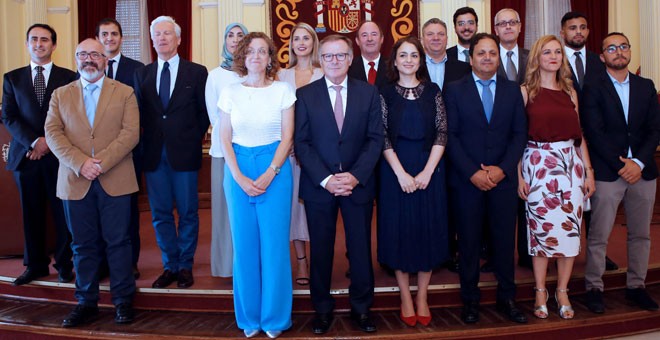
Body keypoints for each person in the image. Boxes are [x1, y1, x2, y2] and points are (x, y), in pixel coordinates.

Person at [45, 38, 139, 327]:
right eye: (83, 54)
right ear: (75, 59)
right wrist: (80, 163)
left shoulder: (124, 92)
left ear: (106, 60)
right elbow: (52, 132)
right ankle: (86, 302)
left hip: (116, 178)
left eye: (95, 55)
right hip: (75, 181)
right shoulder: (61, 95)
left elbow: (131, 133)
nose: (89, 59)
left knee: (119, 243)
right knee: (82, 246)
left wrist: (100, 163)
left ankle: (123, 301)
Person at [295, 34, 383, 335]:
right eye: (329, 56)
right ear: (322, 59)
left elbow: (375, 139)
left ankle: (362, 309)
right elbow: (302, 143)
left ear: (350, 58)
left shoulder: (368, 94)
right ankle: (321, 310)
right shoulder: (305, 95)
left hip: (357, 184)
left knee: (360, 249)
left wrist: (355, 175)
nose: (334, 61)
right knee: (321, 250)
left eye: (340, 55)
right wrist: (327, 179)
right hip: (320, 187)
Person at [444, 33, 527, 325]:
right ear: (471, 57)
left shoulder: (512, 89)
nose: (487, 58)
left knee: (504, 243)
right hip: (467, 181)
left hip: (503, 181)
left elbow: (519, 134)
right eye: (481, 53)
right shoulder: (454, 90)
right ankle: (470, 301)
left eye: (492, 53)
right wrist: (473, 172)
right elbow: (449, 136)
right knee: (467, 244)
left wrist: (502, 169)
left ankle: (507, 299)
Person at [219, 32, 295, 339]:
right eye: (251, 51)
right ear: (242, 56)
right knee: (245, 246)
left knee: (274, 246)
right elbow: (224, 137)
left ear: (270, 57)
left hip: (274, 165)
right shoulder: (230, 91)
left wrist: (270, 172)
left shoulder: (283, 90)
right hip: (237, 166)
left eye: (263, 51)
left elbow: (288, 136)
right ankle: (249, 316)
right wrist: (238, 176)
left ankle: (275, 318)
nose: (256, 56)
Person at [518, 35, 595, 320]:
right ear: (536, 57)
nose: (553, 56)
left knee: (569, 232)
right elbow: (516, 137)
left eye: (557, 52)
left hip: (570, 167)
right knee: (541, 234)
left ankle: (562, 290)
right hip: (537, 166)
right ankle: (540, 290)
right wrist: (518, 177)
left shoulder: (570, 92)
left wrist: (588, 171)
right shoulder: (526, 92)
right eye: (547, 52)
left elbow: (579, 136)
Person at [582, 32, 660, 314]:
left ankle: (636, 287)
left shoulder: (646, 86)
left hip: (642, 172)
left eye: (623, 46)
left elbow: (655, 129)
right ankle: (594, 287)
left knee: (640, 234)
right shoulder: (592, 87)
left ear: (629, 51)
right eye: (611, 48)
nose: (619, 51)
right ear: (602, 56)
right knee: (599, 234)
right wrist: (620, 165)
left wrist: (637, 162)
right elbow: (594, 131)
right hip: (608, 171)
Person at [377, 36, 448, 327]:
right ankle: (406, 296)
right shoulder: (384, 93)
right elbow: (381, 135)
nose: (408, 60)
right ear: (394, 61)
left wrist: (428, 172)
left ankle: (422, 296)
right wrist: (401, 174)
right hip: (395, 170)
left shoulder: (433, 91)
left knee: (427, 231)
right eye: (403, 55)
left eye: (414, 55)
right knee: (399, 232)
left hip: (429, 168)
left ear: (421, 60)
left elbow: (442, 131)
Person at [134, 16, 209, 289]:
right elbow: (139, 114)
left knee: (188, 212)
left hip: (184, 153)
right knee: (160, 214)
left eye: (168, 33)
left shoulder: (197, 72)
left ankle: (185, 265)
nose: (162, 38)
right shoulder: (142, 74)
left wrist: (189, 137)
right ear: (152, 40)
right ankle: (170, 265)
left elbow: (204, 113)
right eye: (157, 34)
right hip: (154, 155)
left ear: (178, 39)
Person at [2, 23, 75, 286]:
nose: (39, 44)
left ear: (54, 45)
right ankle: (35, 265)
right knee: (31, 214)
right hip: (26, 156)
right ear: (27, 44)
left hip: (59, 158)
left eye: (45, 40)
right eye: (34, 39)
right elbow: (8, 116)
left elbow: (71, 116)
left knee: (62, 213)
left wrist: (48, 143)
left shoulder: (69, 77)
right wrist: (34, 142)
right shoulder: (12, 78)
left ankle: (65, 265)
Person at [560, 11, 616, 271]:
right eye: (573, 28)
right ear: (563, 32)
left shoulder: (599, 61)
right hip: (563, 143)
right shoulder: (554, 60)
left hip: (596, 142)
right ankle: (559, 252)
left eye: (583, 27)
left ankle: (597, 255)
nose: (578, 32)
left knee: (596, 202)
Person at [95, 17, 145, 279]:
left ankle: (130, 262)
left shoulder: (137, 69)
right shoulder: (88, 67)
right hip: (93, 159)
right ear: (98, 38)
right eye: (105, 34)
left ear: (121, 38)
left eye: (114, 34)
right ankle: (102, 261)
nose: (110, 39)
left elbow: (141, 114)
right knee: (97, 211)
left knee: (128, 212)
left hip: (127, 155)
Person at [277, 22, 323, 287]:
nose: (302, 43)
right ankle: (302, 262)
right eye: (297, 39)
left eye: (307, 38)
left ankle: (320, 259)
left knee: (317, 209)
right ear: (292, 44)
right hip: (290, 153)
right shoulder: (282, 76)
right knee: (294, 207)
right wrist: (290, 141)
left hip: (319, 152)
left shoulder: (323, 71)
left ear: (313, 42)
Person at [205, 22, 248, 278]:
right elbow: (215, 117)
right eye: (230, 35)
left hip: (255, 152)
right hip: (225, 153)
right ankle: (225, 267)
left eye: (240, 35)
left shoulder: (255, 70)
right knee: (225, 213)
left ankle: (248, 265)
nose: (234, 39)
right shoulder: (215, 75)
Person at [492, 8, 531, 271]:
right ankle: (497, 257)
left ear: (519, 27)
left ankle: (528, 254)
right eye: (502, 23)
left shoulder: (534, 58)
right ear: (495, 29)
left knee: (527, 200)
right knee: (499, 208)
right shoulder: (488, 58)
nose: (507, 27)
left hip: (532, 139)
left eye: (512, 23)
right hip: (496, 142)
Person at [421, 18, 471, 91]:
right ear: (422, 40)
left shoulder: (464, 69)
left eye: (441, 34)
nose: (436, 38)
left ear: (447, 39)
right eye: (430, 34)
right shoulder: (414, 68)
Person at [348, 20, 388, 88]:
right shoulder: (348, 67)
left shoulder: (393, 66)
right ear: (357, 41)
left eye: (374, 34)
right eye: (364, 35)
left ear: (382, 39)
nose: (369, 39)